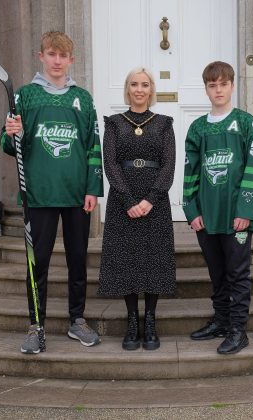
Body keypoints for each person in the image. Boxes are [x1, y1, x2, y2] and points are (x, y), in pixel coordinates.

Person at [1, 31, 104, 354]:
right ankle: (36, 326)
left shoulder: (83, 99)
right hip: (38, 194)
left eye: (63, 56)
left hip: (76, 195)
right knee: (38, 262)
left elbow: (93, 146)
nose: (57, 61)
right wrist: (11, 133)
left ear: (71, 60)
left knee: (77, 260)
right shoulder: (25, 97)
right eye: (51, 54)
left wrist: (92, 188)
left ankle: (77, 320)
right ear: (41, 56)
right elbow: (8, 146)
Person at [182, 61, 253, 355]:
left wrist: (246, 210)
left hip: (236, 216)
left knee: (237, 273)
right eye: (212, 85)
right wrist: (191, 211)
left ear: (232, 86)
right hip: (207, 216)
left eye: (223, 84)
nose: (218, 90)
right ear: (206, 89)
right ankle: (221, 320)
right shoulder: (198, 127)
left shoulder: (246, 123)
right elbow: (190, 171)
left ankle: (238, 330)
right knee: (217, 273)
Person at [98, 67, 176, 351]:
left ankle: (151, 321)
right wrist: (128, 200)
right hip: (123, 201)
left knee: (153, 260)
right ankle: (133, 321)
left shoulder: (164, 123)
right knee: (128, 261)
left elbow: (168, 165)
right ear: (127, 89)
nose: (139, 89)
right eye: (134, 84)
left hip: (155, 201)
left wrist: (150, 199)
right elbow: (111, 163)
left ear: (151, 89)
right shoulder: (115, 123)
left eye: (145, 84)